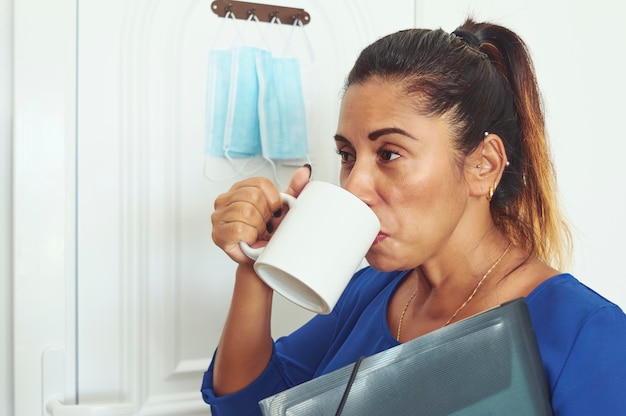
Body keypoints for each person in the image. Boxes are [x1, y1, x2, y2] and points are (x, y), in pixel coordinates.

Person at [202, 18, 626, 415]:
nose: (353, 188)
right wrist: (258, 270)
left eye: (389, 153)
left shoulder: (585, 333)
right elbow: (252, 406)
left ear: (483, 166)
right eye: (347, 156)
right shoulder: (369, 293)